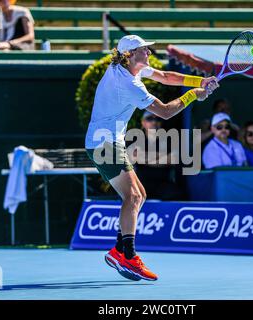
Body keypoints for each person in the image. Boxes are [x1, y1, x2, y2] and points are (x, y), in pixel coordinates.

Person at [84, 35, 218, 281]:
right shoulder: (128, 84)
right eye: (143, 49)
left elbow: (166, 77)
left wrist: (201, 80)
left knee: (139, 195)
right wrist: (193, 96)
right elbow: (166, 112)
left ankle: (118, 251)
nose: (148, 51)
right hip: (103, 144)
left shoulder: (125, 67)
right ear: (129, 55)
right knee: (133, 196)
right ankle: (129, 256)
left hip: (110, 142)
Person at [132, 111, 181, 200]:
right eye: (149, 119)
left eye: (157, 119)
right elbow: (137, 157)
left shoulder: (169, 140)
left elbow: (172, 159)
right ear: (143, 122)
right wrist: (162, 157)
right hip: (141, 184)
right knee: (131, 195)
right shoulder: (134, 139)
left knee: (177, 195)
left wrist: (146, 158)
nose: (154, 122)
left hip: (163, 184)